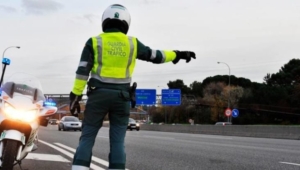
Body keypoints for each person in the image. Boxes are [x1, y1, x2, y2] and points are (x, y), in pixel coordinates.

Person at [69, 4, 196, 170]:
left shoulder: (94, 42)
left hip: (98, 96)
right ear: (126, 23)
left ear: (104, 21)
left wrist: (75, 95)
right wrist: (177, 54)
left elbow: (82, 71)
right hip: (122, 98)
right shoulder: (132, 43)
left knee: (87, 136)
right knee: (118, 141)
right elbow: (155, 55)